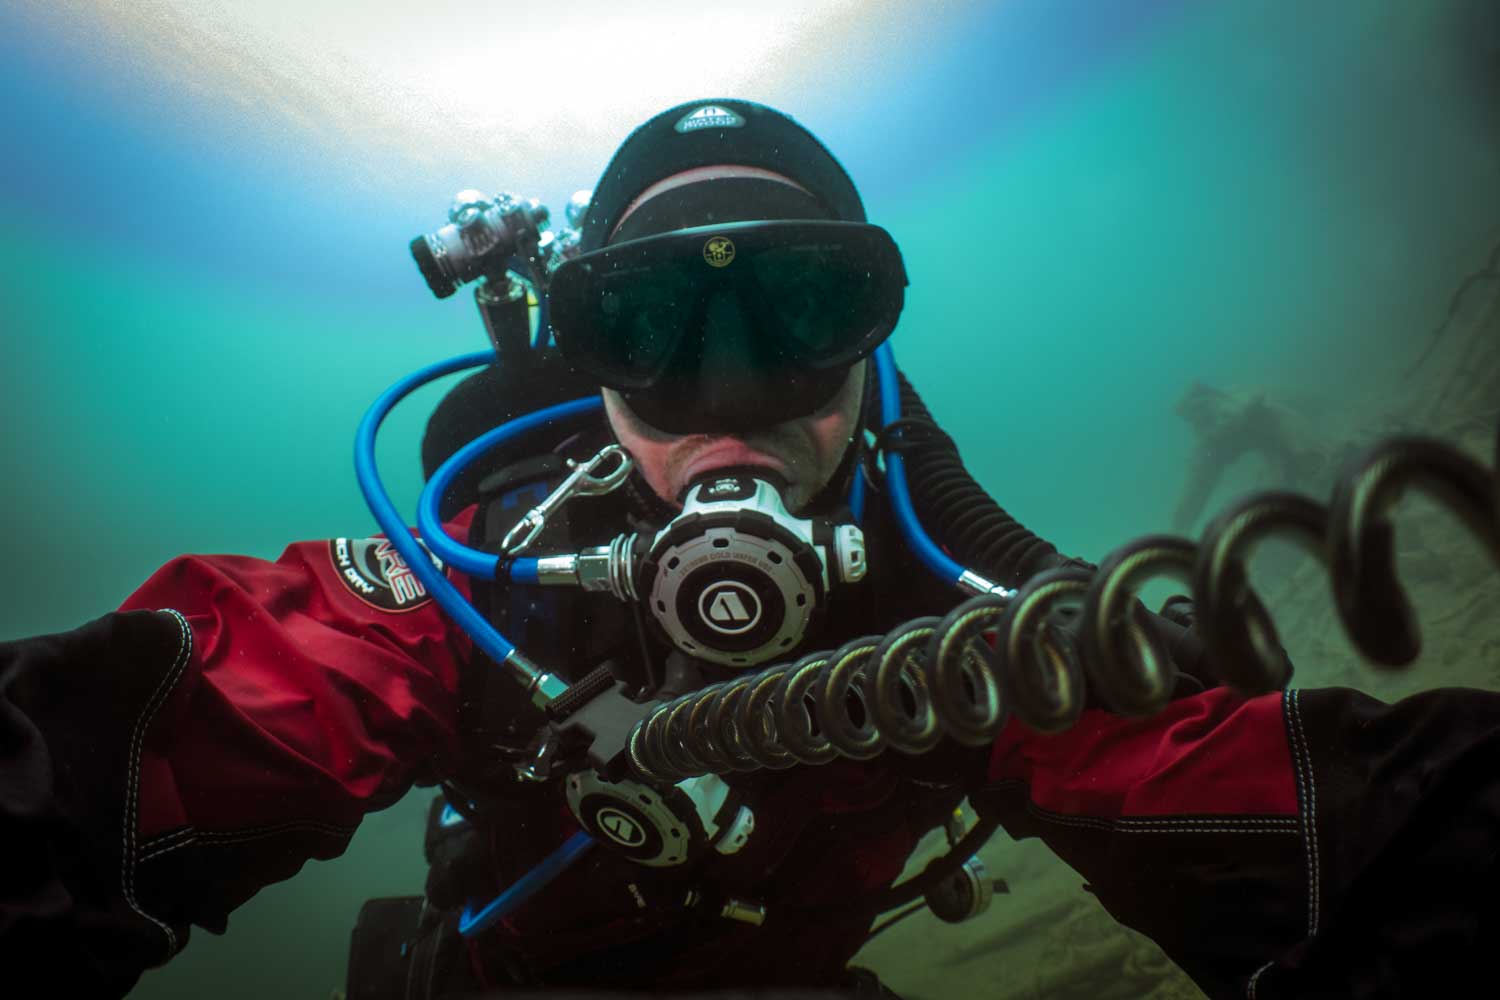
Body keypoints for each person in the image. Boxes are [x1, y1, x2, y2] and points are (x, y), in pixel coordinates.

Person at [3, 98, 1499, 1000]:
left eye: (796, 317)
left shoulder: (953, 604)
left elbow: (1263, 804)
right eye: (651, 332)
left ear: (868, 346)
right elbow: (216, 708)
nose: (728, 405)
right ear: (587, 360)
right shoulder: (483, 577)